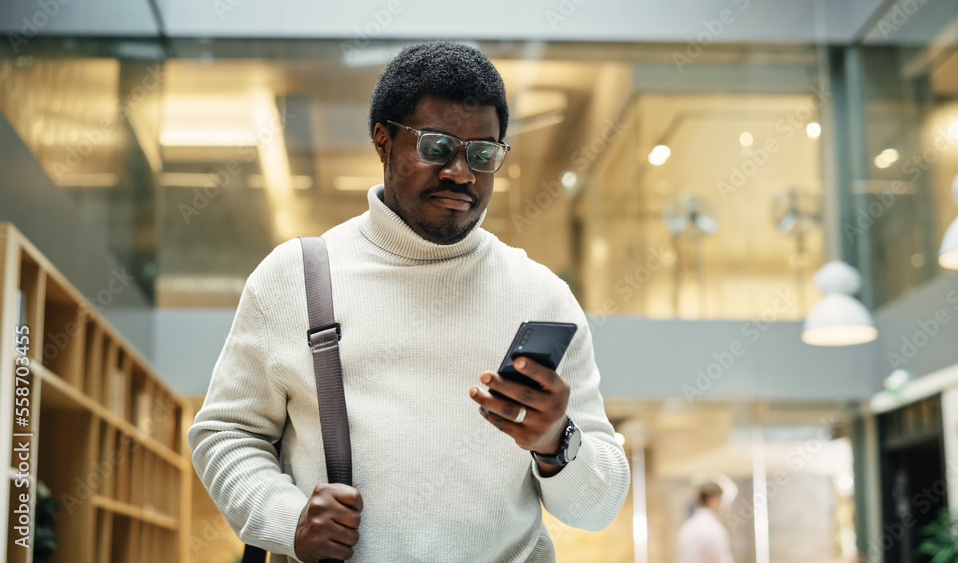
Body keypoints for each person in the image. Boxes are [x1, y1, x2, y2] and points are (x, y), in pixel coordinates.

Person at [188, 41, 630, 563]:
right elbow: (226, 436)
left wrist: (558, 440)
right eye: (437, 147)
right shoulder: (297, 278)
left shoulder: (541, 295)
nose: (462, 173)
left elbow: (598, 506)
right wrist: (291, 520)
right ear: (383, 141)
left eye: (483, 154)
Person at [676, 482, 735, 563]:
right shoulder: (714, 528)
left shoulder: (686, 527)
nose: (722, 505)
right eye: (720, 500)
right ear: (711, 499)